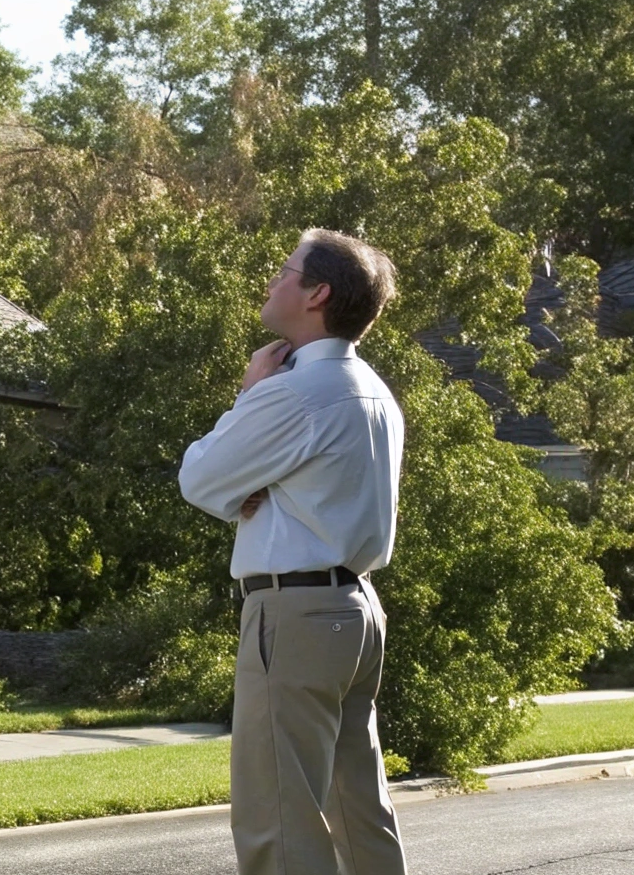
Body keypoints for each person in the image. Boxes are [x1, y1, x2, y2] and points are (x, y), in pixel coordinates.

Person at [179, 228, 407, 875]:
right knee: (360, 810)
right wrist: (253, 481)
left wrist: (250, 392)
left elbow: (200, 477)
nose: (272, 281)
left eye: (285, 271)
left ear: (318, 294)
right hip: (356, 612)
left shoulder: (292, 392)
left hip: (295, 615)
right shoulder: (374, 393)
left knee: (277, 818)